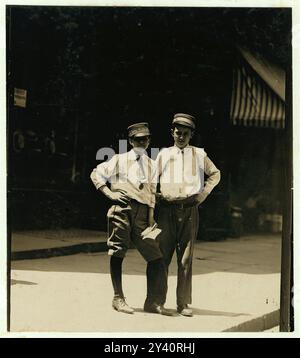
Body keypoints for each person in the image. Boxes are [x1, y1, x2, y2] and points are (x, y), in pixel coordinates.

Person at [90, 122, 171, 316]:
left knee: (156, 256)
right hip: (123, 209)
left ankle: (152, 302)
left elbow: (151, 192)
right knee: (118, 251)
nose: (142, 142)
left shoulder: (152, 164)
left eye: (145, 139)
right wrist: (110, 194)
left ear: (149, 140)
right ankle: (118, 298)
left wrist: (151, 218)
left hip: (143, 214)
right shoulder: (119, 159)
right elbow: (96, 174)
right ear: (130, 140)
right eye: (137, 139)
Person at [155, 113, 221, 317]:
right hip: (166, 211)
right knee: (163, 256)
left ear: (191, 134)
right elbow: (150, 179)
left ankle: (182, 303)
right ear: (172, 133)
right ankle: (158, 301)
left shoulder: (199, 155)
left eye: (185, 133)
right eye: (178, 133)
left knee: (185, 260)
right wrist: (155, 197)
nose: (181, 137)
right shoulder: (163, 154)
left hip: (190, 210)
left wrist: (201, 196)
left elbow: (215, 174)